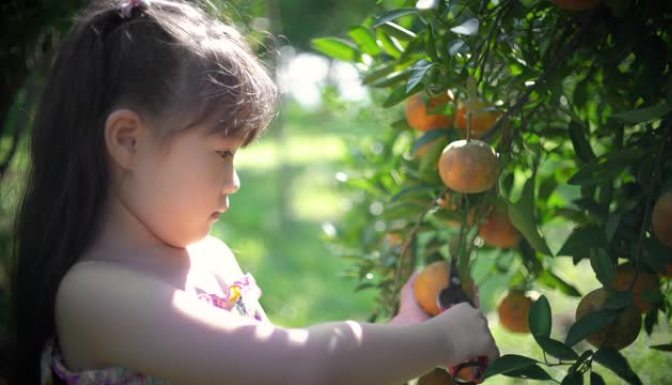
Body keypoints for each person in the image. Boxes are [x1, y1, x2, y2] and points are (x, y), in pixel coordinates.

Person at [11, 0, 499, 384]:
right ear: (128, 140)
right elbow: (298, 366)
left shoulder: (213, 259)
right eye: (223, 153)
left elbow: (305, 370)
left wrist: (410, 329)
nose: (235, 180)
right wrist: (442, 341)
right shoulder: (94, 296)